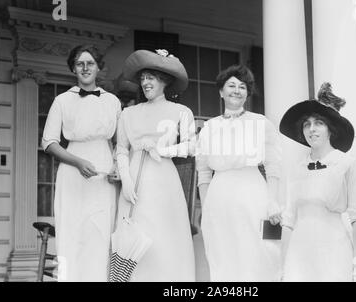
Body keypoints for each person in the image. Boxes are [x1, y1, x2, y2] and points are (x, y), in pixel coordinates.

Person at [41, 44, 122, 281]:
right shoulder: (62, 100)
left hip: (103, 174)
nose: (85, 68)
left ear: (99, 68)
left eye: (90, 63)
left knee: (100, 232)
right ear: (73, 69)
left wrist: (117, 165)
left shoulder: (112, 102)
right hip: (72, 173)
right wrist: (77, 162)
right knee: (73, 232)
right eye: (80, 64)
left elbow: (121, 143)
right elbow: (49, 142)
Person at [196, 64, 283, 282]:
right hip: (220, 194)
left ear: (247, 93)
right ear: (221, 91)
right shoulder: (209, 128)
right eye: (231, 85)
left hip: (252, 191)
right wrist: (206, 206)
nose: (237, 90)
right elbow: (204, 172)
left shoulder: (261, 123)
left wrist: (273, 200)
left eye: (242, 87)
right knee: (223, 253)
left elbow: (273, 166)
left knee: (258, 252)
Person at [278, 82, 356, 282]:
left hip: (334, 252)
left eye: (319, 123)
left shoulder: (348, 164)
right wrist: (283, 267)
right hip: (299, 255)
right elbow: (288, 221)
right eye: (307, 124)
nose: (311, 129)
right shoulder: (296, 169)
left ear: (331, 129)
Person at [116, 49, 196, 281]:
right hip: (134, 181)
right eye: (142, 78)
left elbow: (191, 147)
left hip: (163, 180)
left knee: (163, 238)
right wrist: (126, 180)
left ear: (164, 80)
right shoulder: (128, 114)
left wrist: (163, 149)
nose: (145, 83)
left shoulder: (181, 112)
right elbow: (121, 149)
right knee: (133, 237)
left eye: (151, 77)